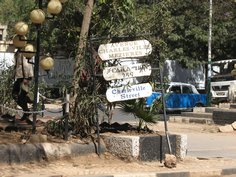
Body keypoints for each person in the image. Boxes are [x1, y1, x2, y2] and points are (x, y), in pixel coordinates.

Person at [12, 50, 34, 124]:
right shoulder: (18, 52)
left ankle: (26, 111)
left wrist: (26, 77)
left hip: (23, 77)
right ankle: (26, 111)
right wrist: (14, 75)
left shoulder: (24, 52)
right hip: (20, 76)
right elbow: (16, 65)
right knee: (17, 95)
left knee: (20, 95)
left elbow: (26, 65)